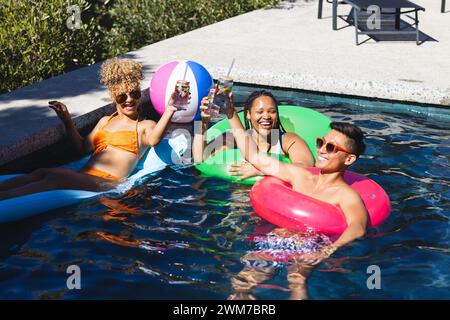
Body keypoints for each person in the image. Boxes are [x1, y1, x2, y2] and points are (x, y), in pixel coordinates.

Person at [223, 92, 369, 299]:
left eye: (331, 148)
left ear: (349, 159)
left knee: (297, 284)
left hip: (312, 245)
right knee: (240, 284)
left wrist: (325, 251)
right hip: (277, 238)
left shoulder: (346, 195)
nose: (322, 151)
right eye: (320, 143)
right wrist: (230, 113)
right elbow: (255, 156)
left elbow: (358, 227)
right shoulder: (299, 176)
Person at [0, 58, 183, 200]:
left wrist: (170, 109)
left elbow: (154, 140)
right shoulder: (105, 121)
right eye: (122, 96)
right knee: (42, 173)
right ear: (114, 98)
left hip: (106, 182)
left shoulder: (144, 126)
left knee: (54, 179)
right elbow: (81, 147)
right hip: (83, 176)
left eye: (134, 94)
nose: (129, 100)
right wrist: (67, 120)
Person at [192, 90, 313, 181]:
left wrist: (262, 169)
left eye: (272, 111)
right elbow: (199, 160)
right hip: (235, 198)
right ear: (248, 114)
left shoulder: (287, 140)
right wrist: (203, 121)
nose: (266, 116)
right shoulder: (232, 138)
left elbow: (305, 168)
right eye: (259, 112)